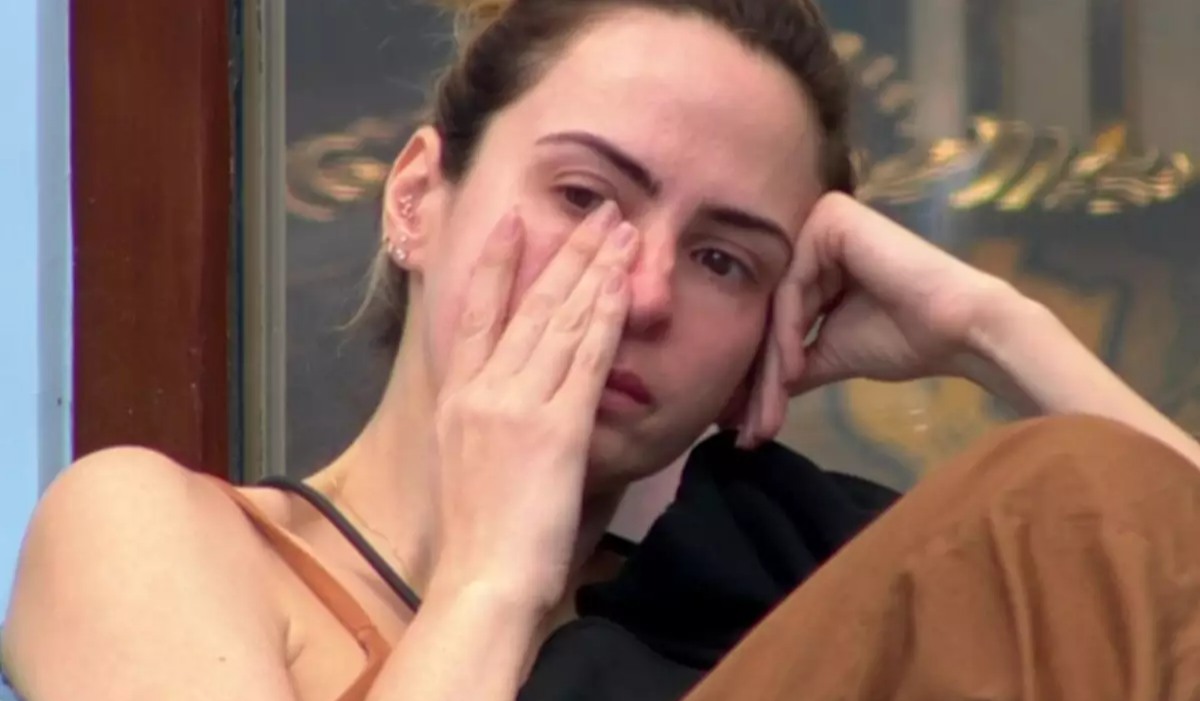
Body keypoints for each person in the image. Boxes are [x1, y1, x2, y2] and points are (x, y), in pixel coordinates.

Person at [5, 0, 1200, 699]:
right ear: (417, 196)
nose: (642, 290)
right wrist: (494, 572)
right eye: (584, 195)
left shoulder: (775, 583)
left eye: (724, 259)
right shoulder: (157, 531)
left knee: (1063, 499)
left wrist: (996, 330)